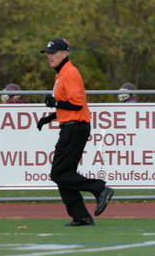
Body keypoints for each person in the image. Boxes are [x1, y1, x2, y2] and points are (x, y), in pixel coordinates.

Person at [36, 39, 114, 226]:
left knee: (59, 174)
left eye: (53, 52)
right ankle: (81, 216)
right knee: (65, 174)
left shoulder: (69, 72)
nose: (49, 56)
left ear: (64, 53)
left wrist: (55, 104)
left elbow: (77, 104)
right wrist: (51, 117)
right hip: (72, 127)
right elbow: (69, 104)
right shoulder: (62, 73)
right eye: (47, 53)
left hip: (75, 129)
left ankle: (100, 189)